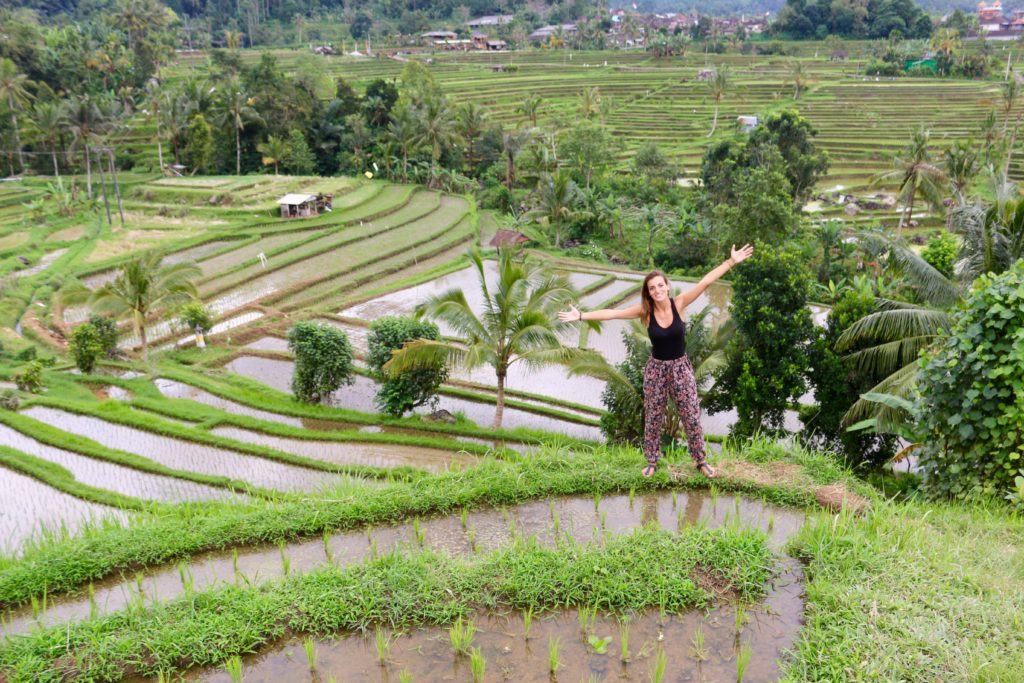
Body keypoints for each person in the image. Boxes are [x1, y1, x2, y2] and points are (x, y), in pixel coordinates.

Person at [559, 244, 754, 478]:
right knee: (653, 416)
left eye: (660, 285)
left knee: (691, 414)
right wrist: (580, 315)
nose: (657, 290)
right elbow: (612, 314)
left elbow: (705, 282)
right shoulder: (645, 311)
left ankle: (700, 460)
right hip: (656, 370)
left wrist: (731, 262)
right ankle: (651, 461)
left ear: (667, 286)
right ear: (648, 292)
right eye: (652, 288)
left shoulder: (679, 303)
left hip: (680, 367)